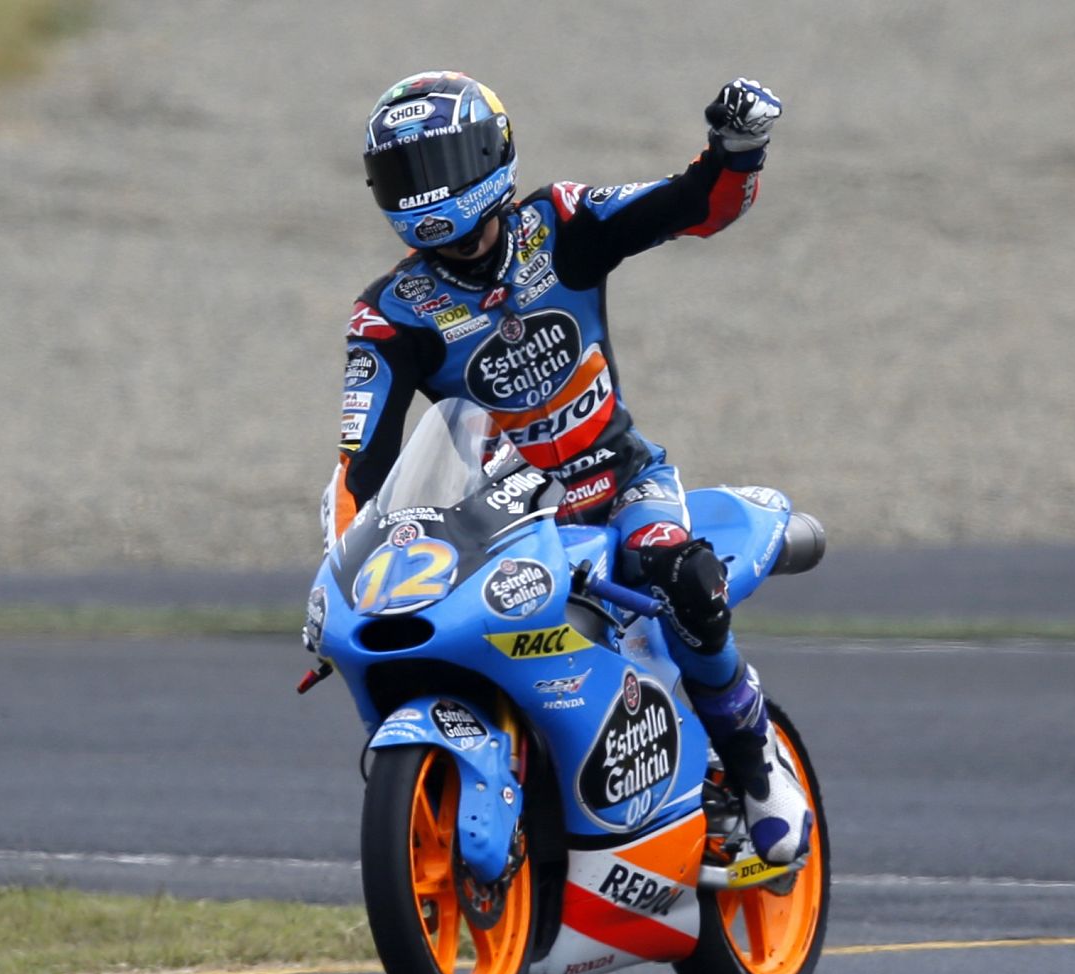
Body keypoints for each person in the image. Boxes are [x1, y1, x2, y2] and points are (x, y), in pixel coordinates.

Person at [322, 71, 809, 864]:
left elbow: (692, 204)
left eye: (441, 162)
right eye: (407, 173)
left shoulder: (562, 223)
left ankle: (755, 770)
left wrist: (737, 149)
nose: (429, 191)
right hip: (496, 515)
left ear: (491, 154)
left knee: (673, 571)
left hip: (619, 480)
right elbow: (361, 462)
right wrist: (341, 568)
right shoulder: (390, 312)